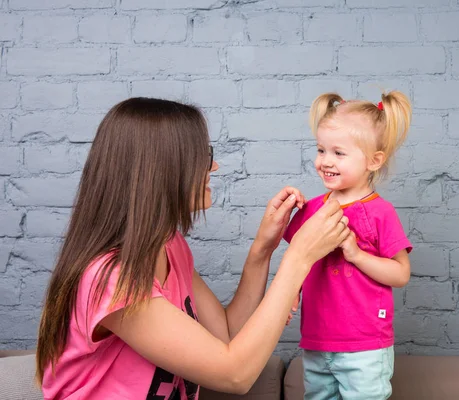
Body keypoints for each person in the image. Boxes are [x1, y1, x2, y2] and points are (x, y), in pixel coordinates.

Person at [35, 97, 351, 399]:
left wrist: (262, 250)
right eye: (201, 156)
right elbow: (234, 374)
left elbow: (225, 335)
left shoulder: (170, 246)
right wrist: (299, 258)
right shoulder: (110, 279)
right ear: (162, 171)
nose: (213, 166)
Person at [283, 91, 413, 400]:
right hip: (316, 341)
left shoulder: (380, 212)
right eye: (321, 150)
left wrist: (356, 255)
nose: (325, 161)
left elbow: (400, 274)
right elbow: (297, 259)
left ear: (373, 160)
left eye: (338, 153)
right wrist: (290, 293)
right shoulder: (311, 209)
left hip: (365, 345)